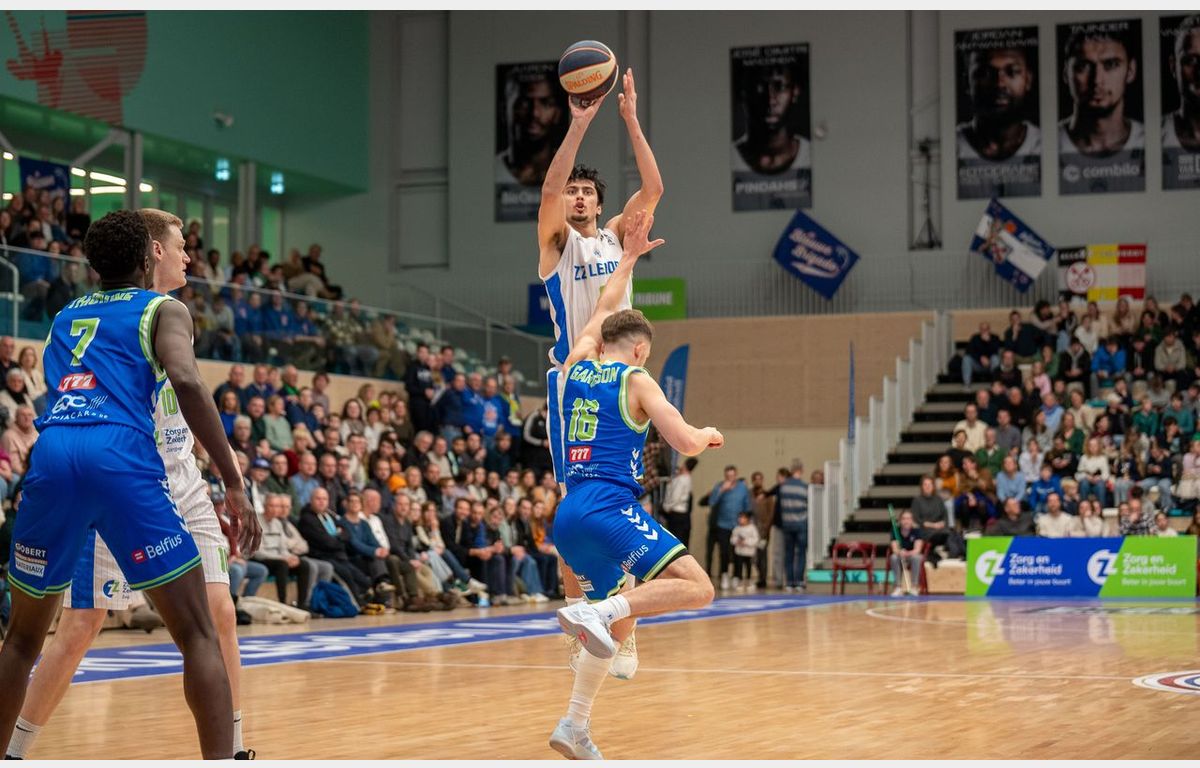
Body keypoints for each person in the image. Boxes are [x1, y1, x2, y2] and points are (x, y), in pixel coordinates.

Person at [0, 211, 259, 760]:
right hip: (128, 464)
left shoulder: (69, 315)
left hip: (109, 461)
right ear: (152, 252)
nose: (188, 254)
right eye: (180, 244)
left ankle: (235, 747)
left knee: (217, 614)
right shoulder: (160, 312)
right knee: (99, 625)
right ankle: (19, 747)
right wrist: (234, 479)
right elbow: (185, 382)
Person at [549, 212, 720, 760]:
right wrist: (708, 434)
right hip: (608, 506)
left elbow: (601, 309)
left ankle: (574, 725)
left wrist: (627, 259)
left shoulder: (576, 365)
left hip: (569, 515)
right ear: (642, 350)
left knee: (618, 626)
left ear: (603, 342)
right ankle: (595, 611)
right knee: (698, 587)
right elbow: (685, 441)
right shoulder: (638, 379)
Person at [537, 69, 664, 682]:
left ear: (600, 202)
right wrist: (579, 122)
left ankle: (626, 631)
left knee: (620, 505)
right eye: (573, 191)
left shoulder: (617, 238)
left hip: (620, 377)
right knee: (574, 511)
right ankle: (580, 626)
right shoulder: (556, 245)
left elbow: (655, 187)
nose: (578, 197)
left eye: (587, 190)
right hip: (573, 380)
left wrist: (631, 120)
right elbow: (547, 188)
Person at [1058, 23, 1145, 190]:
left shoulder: (1152, 141)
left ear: (1131, 70)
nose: (1097, 80)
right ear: (1066, 74)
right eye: (1083, 66)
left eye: (1110, 64)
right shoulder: (1042, 144)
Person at [776, 459, 809, 592]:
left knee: (788, 553)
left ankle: (789, 582)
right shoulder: (804, 487)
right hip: (800, 523)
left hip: (787, 523)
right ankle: (799, 581)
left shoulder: (783, 487)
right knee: (801, 553)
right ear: (801, 470)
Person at [661, 457, 696, 548]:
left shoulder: (682, 479)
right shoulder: (687, 478)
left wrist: (666, 507)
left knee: (675, 539)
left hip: (676, 513)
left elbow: (676, 497)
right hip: (682, 514)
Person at [888, 510, 923, 597]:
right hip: (900, 555)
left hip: (912, 555)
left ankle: (914, 587)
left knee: (917, 557)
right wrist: (900, 552)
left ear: (912, 520)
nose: (906, 521)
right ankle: (898, 587)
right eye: (904, 519)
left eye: (908, 519)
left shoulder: (917, 531)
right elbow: (895, 549)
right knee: (893, 557)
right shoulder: (895, 530)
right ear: (900, 520)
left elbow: (917, 549)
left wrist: (908, 553)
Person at [729, 511, 759, 591]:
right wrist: (737, 541)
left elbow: (755, 539)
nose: (741, 520)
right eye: (740, 518)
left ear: (748, 519)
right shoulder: (737, 528)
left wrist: (746, 542)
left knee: (748, 567)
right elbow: (732, 539)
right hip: (739, 552)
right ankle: (740, 582)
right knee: (739, 567)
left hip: (749, 553)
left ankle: (749, 581)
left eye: (743, 518)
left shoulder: (752, 528)